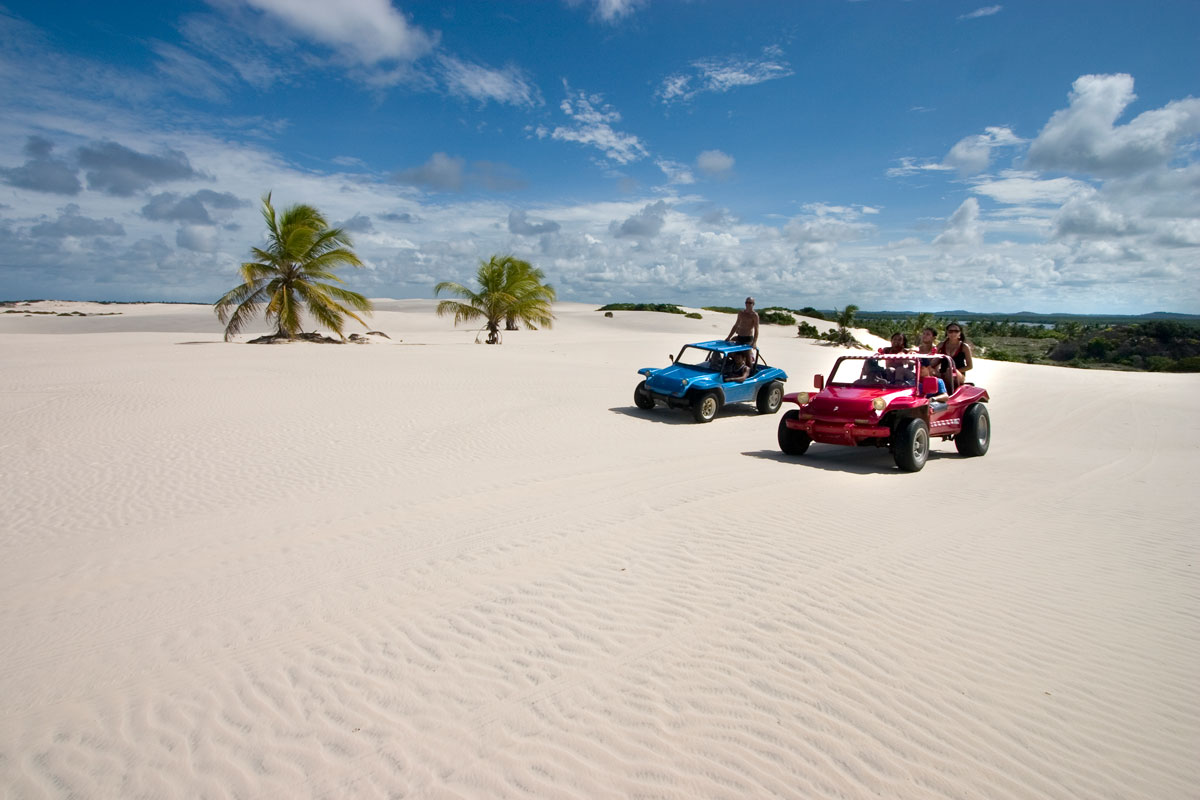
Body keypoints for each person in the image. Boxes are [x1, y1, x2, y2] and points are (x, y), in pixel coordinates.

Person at [939, 323, 974, 389]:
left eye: (956, 331)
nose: (953, 333)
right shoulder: (941, 345)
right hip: (942, 373)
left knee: (950, 371)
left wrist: (954, 371)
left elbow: (970, 366)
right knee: (927, 370)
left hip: (958, 374)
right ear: (947, 332)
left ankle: (947, 392)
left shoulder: (964, 347)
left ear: (960, 333)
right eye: (950, 331)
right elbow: (934, 360)